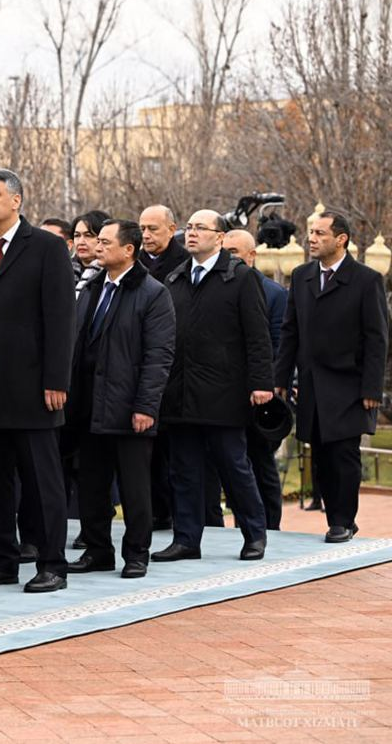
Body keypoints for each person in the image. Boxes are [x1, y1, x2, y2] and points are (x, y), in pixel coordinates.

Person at [0, 169, 75, 594]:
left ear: (16, 200)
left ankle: (51, 563)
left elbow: (61, 318)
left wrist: (56, 378)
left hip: (34, 386)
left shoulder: (46, 248)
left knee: (42, 482)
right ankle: (3, 559)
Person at [156, 210, 273, 563]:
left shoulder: (240, 278)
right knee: (184, 471)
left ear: (220, 237)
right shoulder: (175, 278)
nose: (191, 234)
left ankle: (255, 533)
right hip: (181, 393)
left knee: (234, 466)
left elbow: (258, 336)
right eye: (189, 228)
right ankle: (187, 539)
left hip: (224, 392)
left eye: (200, 228)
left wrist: (262, 383)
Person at [66, 220, 175, 579]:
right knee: (92, 484)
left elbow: (158, 356)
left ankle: (136, 553)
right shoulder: (93, 287)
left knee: (134, 487)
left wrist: (146, 407)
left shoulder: (152, 293)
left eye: (105, 242)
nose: (98, 247)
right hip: (90, 406)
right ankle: (98, 550)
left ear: (129, 249)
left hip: (129, 408)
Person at [275, 210, 389, 543]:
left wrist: (371, 388)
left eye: (320, 233)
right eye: (311, 232)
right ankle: (334, 515)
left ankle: (342, 520)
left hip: (350, 385)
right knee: (321, 453)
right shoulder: (301, 276)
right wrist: (280, 378)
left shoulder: (367, 280)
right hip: (311, 384)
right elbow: (290, 331)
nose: (312, 238)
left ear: (341, 239)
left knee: (344, 454)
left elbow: (377, 338)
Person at [224, 228, 288, 530]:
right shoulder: (218, 287)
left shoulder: (274, 294)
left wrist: (264, 385)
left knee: (261, 466)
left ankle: (270, 527)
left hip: (261, 397)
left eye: (235, 252)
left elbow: (277, 345)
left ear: (252, 255)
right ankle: (242, 525)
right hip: (224, 396)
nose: (229, 257)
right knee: (233, 467)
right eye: (225, 251)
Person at [137, 204, 188, 532]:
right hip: (137, 367)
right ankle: (154, 511)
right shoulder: (135, 263)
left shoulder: (185, 264)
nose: (146, 235)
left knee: (175, 454)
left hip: (175, 369)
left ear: (172, 229)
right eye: (142, 228)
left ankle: (176, 512)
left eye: (153, 228)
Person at [71, 211, 111, 294]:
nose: (81, 242)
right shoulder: (64, 269)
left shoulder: (111, 274)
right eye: (77, 235)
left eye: (88, 235)